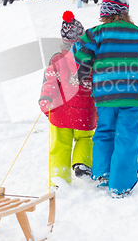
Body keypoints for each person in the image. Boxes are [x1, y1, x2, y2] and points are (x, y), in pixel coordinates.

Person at [72, 0, 138, 198]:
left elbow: (79, 53)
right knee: (127, 137)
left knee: (105, 131)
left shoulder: (96, 34)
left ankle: (102, 174)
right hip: (134, 96)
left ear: (104, 12)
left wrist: (87, 65)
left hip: (106, 95)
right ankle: (121, 184)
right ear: (126, 12)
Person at [39, 11, 96, 186]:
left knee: (60, 145)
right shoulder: (91, 59)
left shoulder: (56, 59)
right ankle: (82, 164)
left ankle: (58, 178)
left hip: (60, 112)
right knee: (85, 138)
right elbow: (97, 83)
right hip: (84, 112)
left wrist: (45, 98)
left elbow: (50, 82)